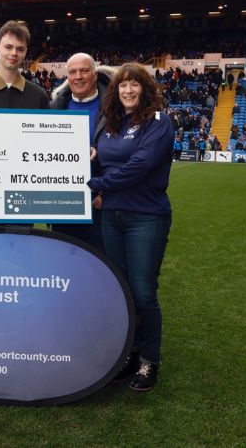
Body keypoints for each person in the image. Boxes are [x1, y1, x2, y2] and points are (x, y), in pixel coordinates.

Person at [87, 62, 174, 392]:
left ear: (145, 88)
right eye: (122, 85)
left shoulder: (158, 122)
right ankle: (129, 355)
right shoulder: (110, 122)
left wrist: (96, 184)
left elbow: (140, 166)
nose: (127, 90)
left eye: (134, 84)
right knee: (121, 290)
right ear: (115, 89)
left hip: (146, 217)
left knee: (142, 291)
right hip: (112, 217)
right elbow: (100, 157)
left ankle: (150, 360)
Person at [49, 52, 111, 250]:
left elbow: (124, 153)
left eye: (84, 71)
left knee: (100, 266)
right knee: (64, 267)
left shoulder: (114, 106)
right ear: (67, 76)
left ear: (94, 74)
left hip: (99, 203)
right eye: (73, 72)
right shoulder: (55, 107)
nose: (78, 77)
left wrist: (106, 192)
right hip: (63, 204)